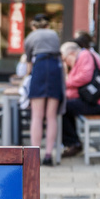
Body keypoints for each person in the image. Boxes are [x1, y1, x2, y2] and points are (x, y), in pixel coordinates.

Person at [23, 13, 65, 166]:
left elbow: (28, 66)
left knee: (37, 116)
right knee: (51, 116)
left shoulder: (30, 37)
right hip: (54, 71)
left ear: (34, 25)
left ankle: (35, 156)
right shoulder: (54, 34)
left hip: (39, 69)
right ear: (47, 25)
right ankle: (48, 155)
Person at [60, 40, 100, 157]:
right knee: (65, 107)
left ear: (71, 53)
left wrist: (65, 84)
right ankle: (73, 143)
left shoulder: (84, 55)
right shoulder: (83, 56)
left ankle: (74, 143)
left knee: (64, 108)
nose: (65, 62)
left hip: (98, 103)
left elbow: (85, 77)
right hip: (92, 100)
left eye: (65, 59)